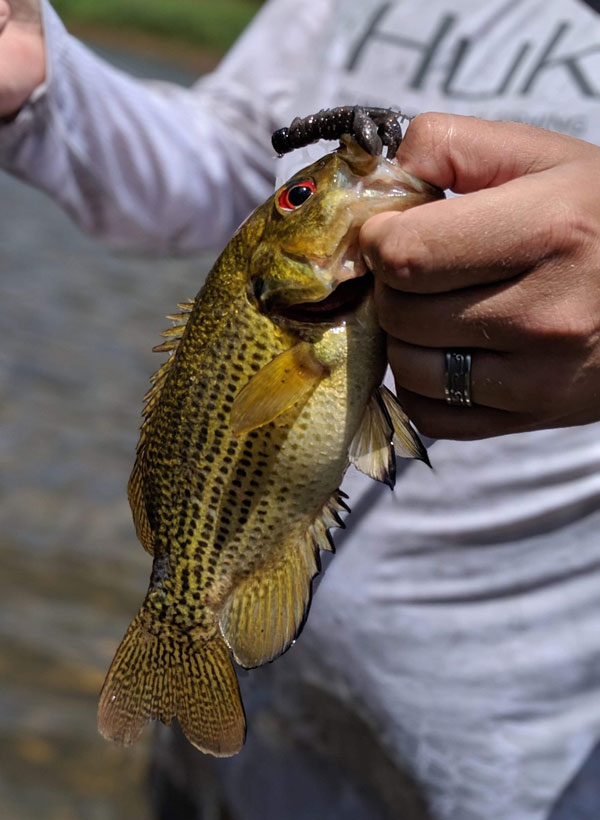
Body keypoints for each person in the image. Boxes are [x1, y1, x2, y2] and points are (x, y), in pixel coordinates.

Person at [2, 1, 600, 818]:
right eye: (303, 200)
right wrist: (43, 86)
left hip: (497, 760)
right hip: (253, 724)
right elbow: (225, 155)